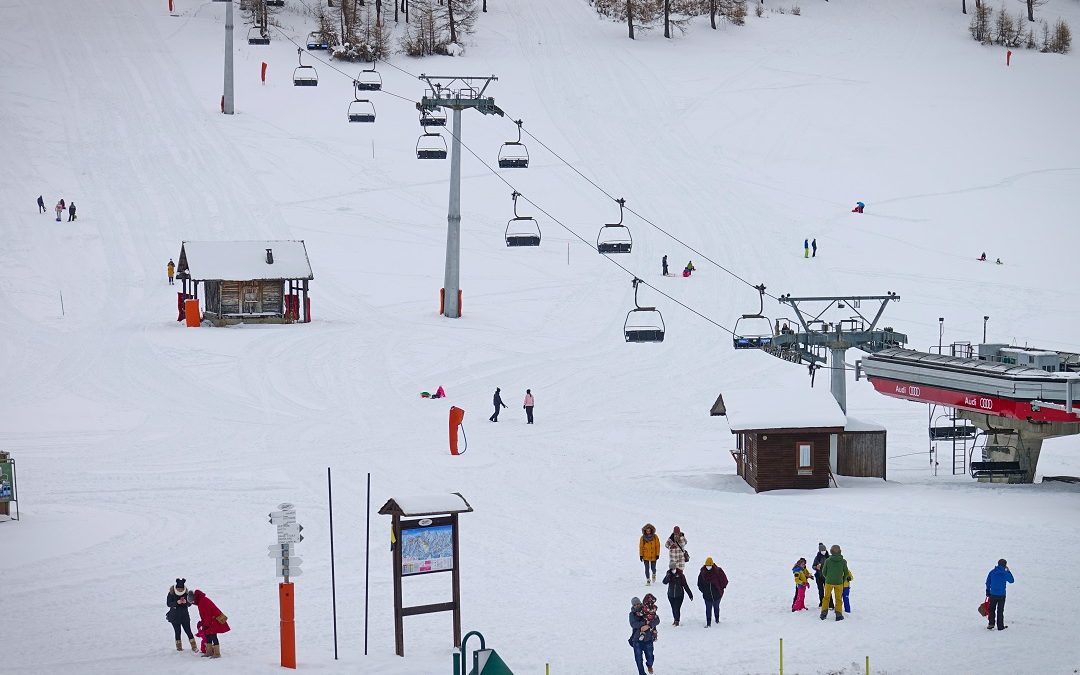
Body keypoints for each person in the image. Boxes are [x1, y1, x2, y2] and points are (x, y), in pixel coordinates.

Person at [192, 589, 230, 658]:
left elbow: (207, 614)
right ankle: (209, 652)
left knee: (213, 636)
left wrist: (206, 624)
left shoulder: (202, 602)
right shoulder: (201, 601)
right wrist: (204, 623)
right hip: (210, 621)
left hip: (213, 621)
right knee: (208, 636)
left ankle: (217, 653)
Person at [628, 596, 658, 675]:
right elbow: (633, 624)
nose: (637, 606)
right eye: (635, 605)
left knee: (650, 657)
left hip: (648, 639)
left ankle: (649, 665)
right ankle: (641, 673)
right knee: (638, 659)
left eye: (638, 604)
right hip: (637, 639)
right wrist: (644, 624)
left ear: (641, 603)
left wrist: (648, 625)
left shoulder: (648, 610)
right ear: (633, 606)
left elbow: (657, 620)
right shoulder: (632, 614)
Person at [166, 578, 197, 652]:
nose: (180, 590)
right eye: (178, 589)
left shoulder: (186, 594)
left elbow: (189, 604)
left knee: (188, 631)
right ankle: (179, 648)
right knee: (177, 632)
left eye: (181, 589)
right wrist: (177, 602)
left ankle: (194, 646)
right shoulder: (171, 593)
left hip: (184, 616)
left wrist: (186, 602)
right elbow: (168, 604)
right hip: (174, 617)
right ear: (176, 588)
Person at [820, 544, 849, 621]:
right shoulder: (843, 561)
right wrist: (842, 579)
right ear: (840, 551)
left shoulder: (828, 560)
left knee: (826, 597)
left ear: (831, 551)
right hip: (839, 583)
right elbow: (846, 572)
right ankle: (838, 614)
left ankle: (823, 614)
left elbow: (824, 572)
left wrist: (828, 577)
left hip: (828, 582)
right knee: (838, 598)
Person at [696, 557, 728, 627]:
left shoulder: (718, 571)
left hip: (717, 595)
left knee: (716, 607)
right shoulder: (702, 572)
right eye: (707, 565)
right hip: (707, 596)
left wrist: (720, 589)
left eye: (709, 565)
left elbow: (724, 581)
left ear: (712, 565)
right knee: (708, 609)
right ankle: (708, 623)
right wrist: (704, 591)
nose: (708, 567)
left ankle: (717, 620)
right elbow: (699, 584)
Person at [985, 558, 1014, 630]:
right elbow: (1011, 581)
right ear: (1005, 565)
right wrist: (1008, 571)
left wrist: (987, 591)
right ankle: (1000, 626)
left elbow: (988, 582)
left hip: (993, 594)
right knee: (1000, 611)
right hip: (1001, 595)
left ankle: (991, 624)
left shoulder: (992, 572)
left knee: (991, 609)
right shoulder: (1005, 573)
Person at [812, 542, 828, 608]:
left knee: (828, 591)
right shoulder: (817, 557)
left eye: (824, 550)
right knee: (820, 590)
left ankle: (830, 604)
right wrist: (816, 567)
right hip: (819, 576)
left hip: (827, 577)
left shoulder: (828, 557)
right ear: (820, 551)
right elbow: (813, 566)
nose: (823, 552)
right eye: (822, 550)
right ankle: (821, 602)